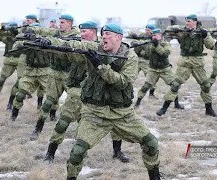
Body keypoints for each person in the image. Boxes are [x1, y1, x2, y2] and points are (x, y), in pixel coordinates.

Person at [36, 23, 162, 179]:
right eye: (103, 34)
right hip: (95, 112)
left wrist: (100, 65)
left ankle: (155, 176)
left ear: (119, 37)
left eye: (108, 34)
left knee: (151, 144)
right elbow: (70, 45)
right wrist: (47, 43)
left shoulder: (130, 56)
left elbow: (122, 82)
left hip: (123, 113)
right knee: (78, 151)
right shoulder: (94, 48)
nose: (104, 37)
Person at [43, 21, 130, 164]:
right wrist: (48, 43)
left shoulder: (104, 49)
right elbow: (62, 49)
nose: (81, 34)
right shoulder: (78, 46)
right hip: (76, 92)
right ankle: (50, 153)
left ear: (94, 32)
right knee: (63, 122)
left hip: (99, 95)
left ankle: (117, 152)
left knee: (114, 125)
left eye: (85, 32)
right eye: (81, 32)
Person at [156, 14, 216, 117]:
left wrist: (205, 35)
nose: (187, 23)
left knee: (206, 86)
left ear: (195, 22)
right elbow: (168, 29)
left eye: (189, 21)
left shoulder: (202, 31)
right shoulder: (182, 30)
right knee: (175, 85)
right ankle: (164, 108)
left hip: (198, 63)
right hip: (184, 62)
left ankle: (209, 109)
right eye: (186, 21)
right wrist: (175, 30)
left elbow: (211, 46)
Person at [9, 22, 57, 121]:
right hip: (30, 70)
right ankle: (13, 116)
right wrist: (24, 44)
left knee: (52, 95)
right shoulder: (26, 38)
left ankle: (53, 115)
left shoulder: (47, 39)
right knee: (21, 93)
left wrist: (46, 43)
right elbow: (16, 45)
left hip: (45, 71)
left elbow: (56, 44)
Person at [134, 28, 184, 109]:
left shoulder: (165, 44)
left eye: (155, 35)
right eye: (152, 35)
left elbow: (165, 53)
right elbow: (139, 49)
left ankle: (176, 103)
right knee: (146, 86)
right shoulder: (149, 44)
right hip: (153, 69)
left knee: (175, 85)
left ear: (160, 35)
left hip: (165, 69)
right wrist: (136, 43)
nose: (153, 37)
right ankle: (137, 103)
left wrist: (157, 45)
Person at [0, 22, 19, 102]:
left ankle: (11, 102)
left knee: (20, 81)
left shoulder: (22, 36)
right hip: (9, 60)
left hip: (20, 61)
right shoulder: (7, 37)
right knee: (1, 79)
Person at [129, 24, 158, 98]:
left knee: (151, 78)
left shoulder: (155, 37)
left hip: (147, 61)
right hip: (137, 59)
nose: (146, 31)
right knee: (130, 75)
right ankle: (128, 91)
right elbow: (134, 41)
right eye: (146, 30)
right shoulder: (142, 35)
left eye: (148, 30)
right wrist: (133, 37)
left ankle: (151, 94)